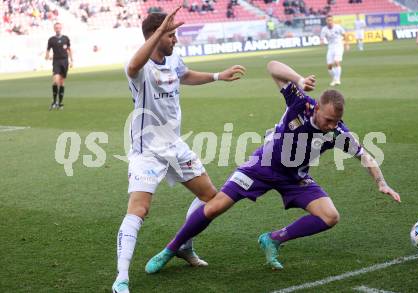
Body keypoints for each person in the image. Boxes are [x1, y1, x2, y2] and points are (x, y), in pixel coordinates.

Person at [145, 60, 401, 274]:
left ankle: (274, 239)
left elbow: (365, 155)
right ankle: (172, 248)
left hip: (294, 177)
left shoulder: (338, 132)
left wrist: (381, 182)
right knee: (215, 206)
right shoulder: (301, 102)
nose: (332, 125)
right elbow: (272, 66)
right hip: (262, 166)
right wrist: (299, 79)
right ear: (318, 108)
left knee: (330, 216)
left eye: (337, 121)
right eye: (329, 119)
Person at [112, 7, 245, 293]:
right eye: (171, 35)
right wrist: (160, 31)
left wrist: (218, 75)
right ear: (155, 36)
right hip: (147, 149)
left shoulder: (173, 60)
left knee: (211, 197)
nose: (176, 40)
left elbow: (185, 75)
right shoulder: (140, 68)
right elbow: (132, 66)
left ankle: (184, 244)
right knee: (139, 209)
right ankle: (121, 277)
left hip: (175, 145)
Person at [45, 22, 72, 110]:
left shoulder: (66, 38)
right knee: (55, 81)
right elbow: (48, 49)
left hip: (64, 61)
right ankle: (54, 101)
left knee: (61, 83)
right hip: (56, 61)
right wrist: (47, 55)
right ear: (54, 29)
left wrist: (71, 60)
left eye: (59, 28)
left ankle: (60, 103)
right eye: (56, 28)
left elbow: (69, 49)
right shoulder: (51, 39)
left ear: (61, 28)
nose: (57, 29)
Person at [320, 15, 349, 86]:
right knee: (329, 65)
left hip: (339, 46)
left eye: (330, 20)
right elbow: (322, 38)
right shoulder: (324, 29)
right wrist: (322, 42)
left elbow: (345, 35)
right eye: (328, 20)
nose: (329, 21)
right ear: (326, 21)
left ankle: (338, 79)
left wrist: (346, 44)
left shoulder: (338, 27)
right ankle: (334, 79)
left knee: (336, 61)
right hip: (330, 47)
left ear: (332, 20)